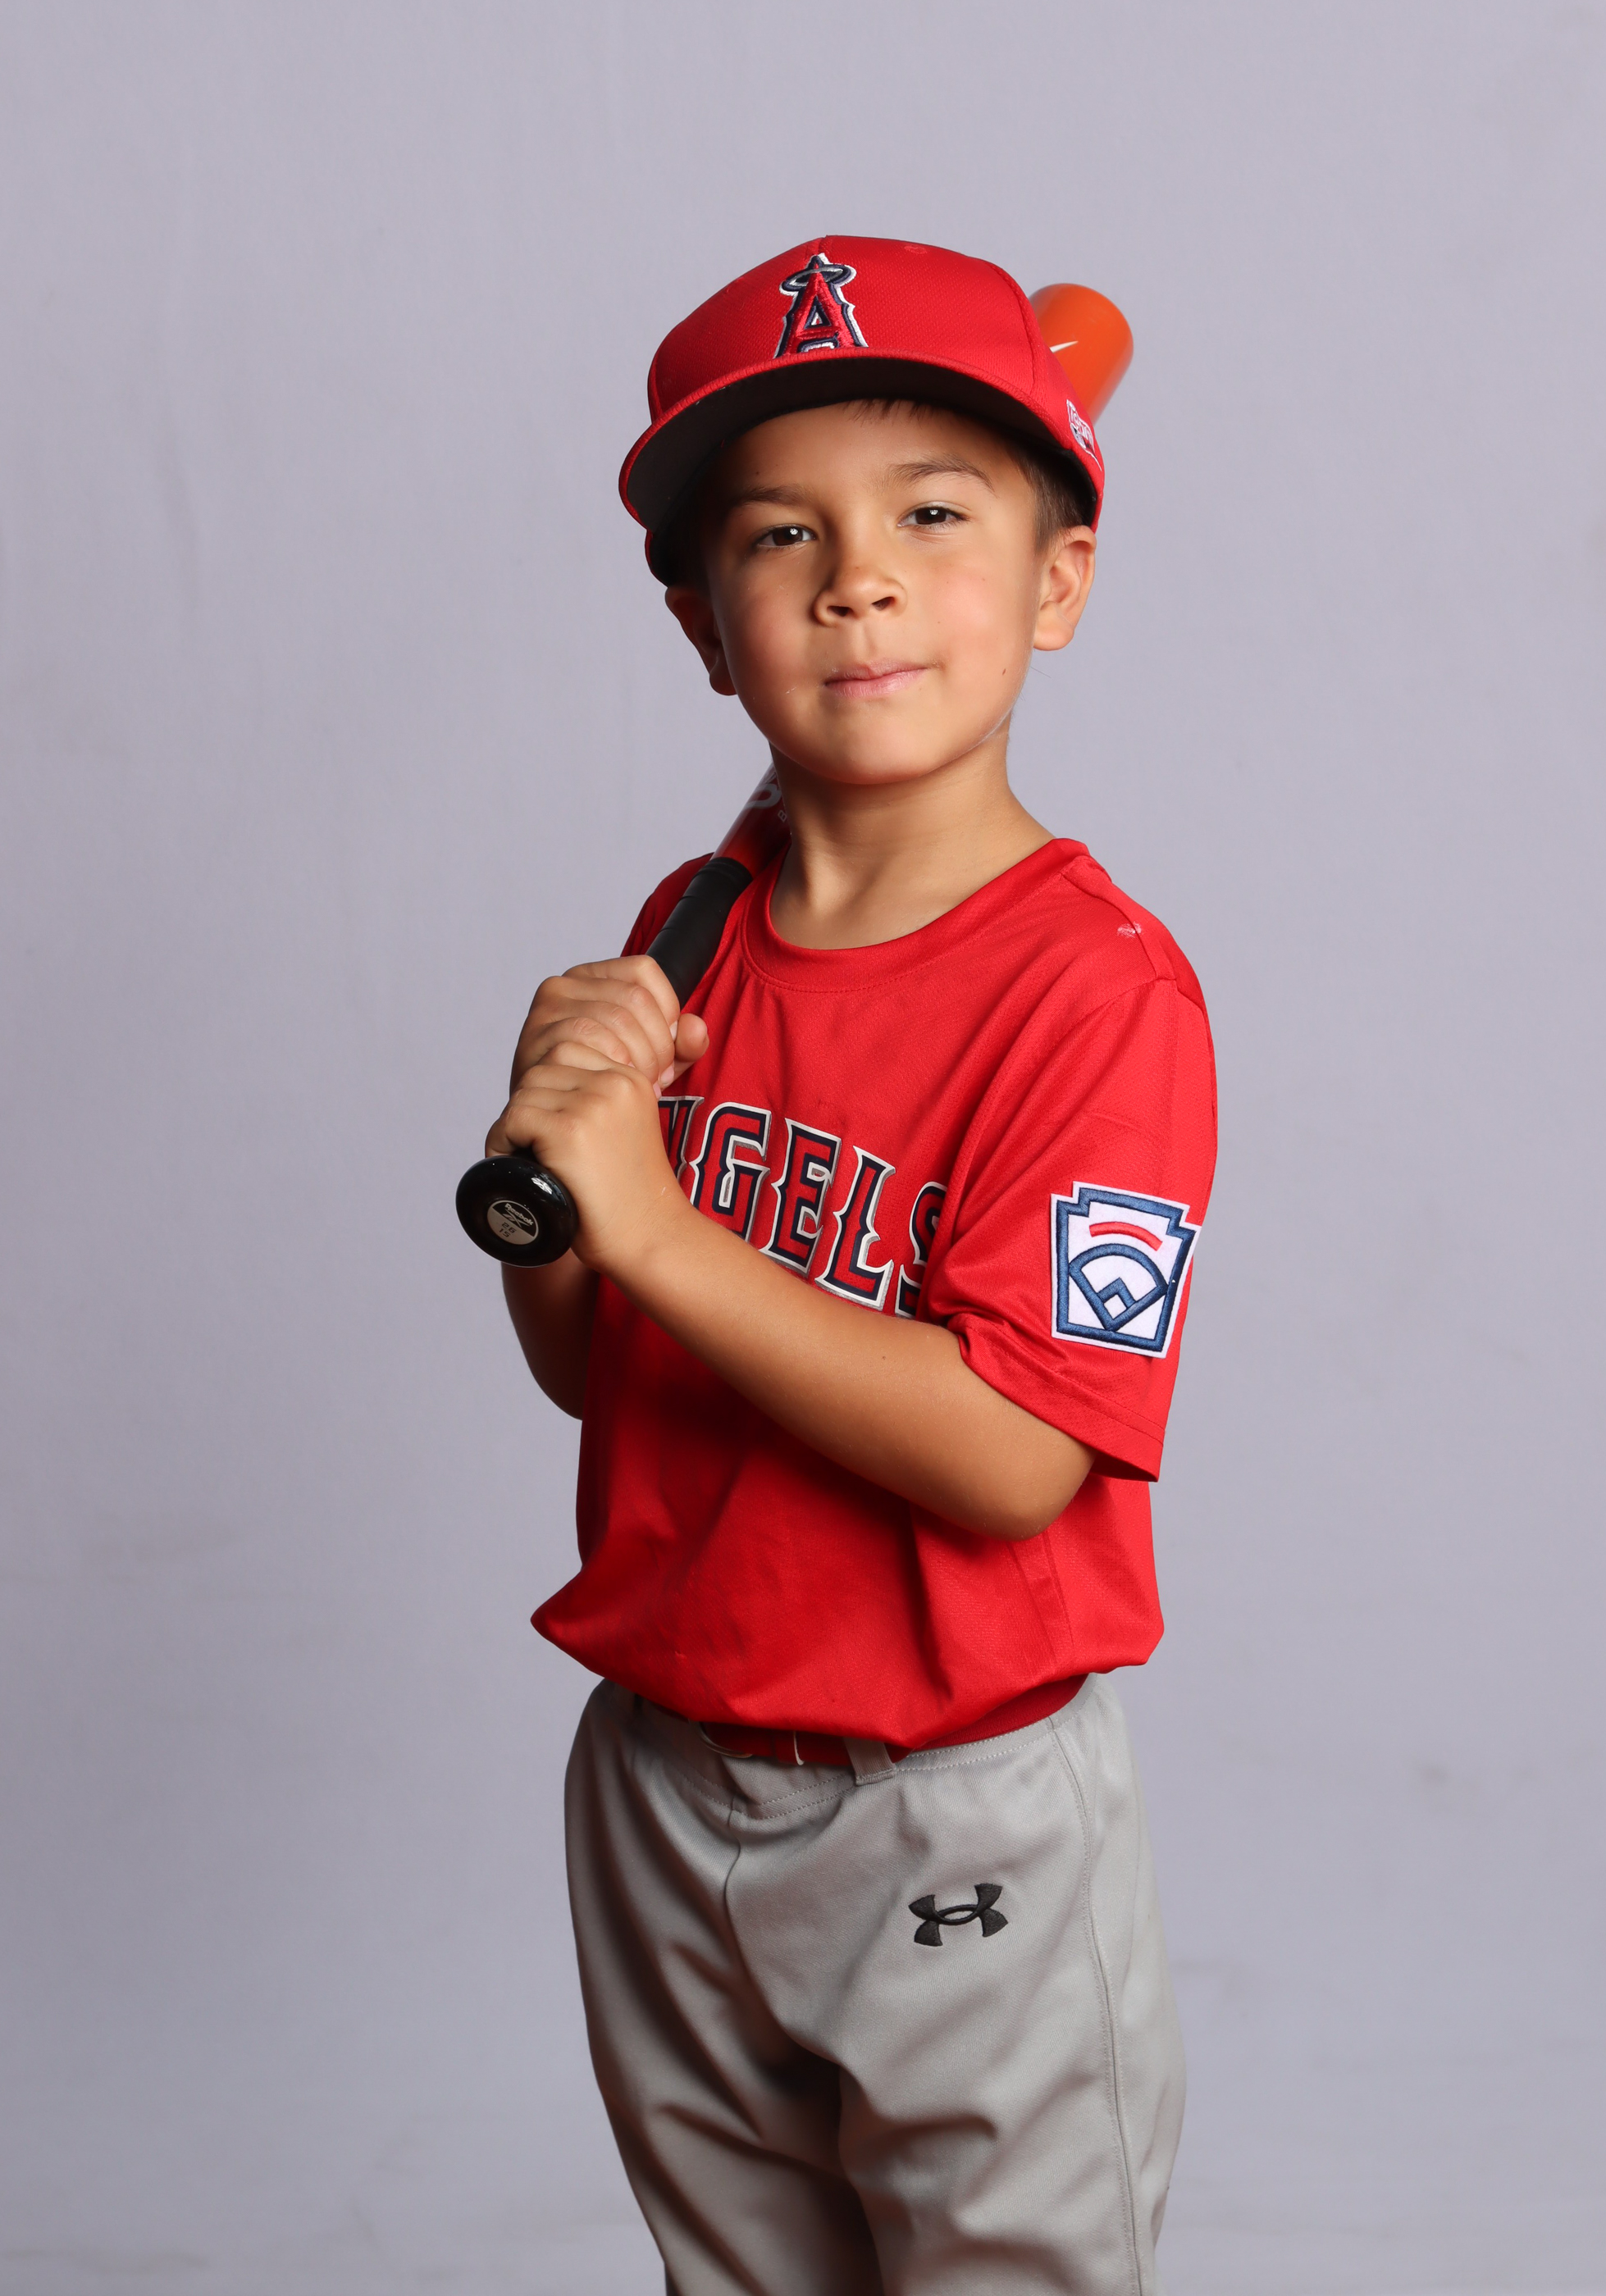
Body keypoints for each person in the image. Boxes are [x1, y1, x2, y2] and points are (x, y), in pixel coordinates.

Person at [485, 237, 1216, 2296]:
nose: (857, 581)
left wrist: (652, 1217)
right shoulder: (694, 924)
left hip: (949, 1807)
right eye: (780, 532)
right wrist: (561, 1153)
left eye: (933, 515)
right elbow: (591, 1361)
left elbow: (1014, 1455)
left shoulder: (1098, 995)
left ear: (1059, 582)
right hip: (661, 1769)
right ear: (703, 625)